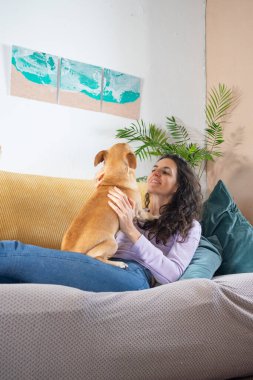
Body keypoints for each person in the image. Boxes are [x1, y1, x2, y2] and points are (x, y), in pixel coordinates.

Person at [0, 154, 202, 292]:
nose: (156, 173)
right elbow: (97, 236)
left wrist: (131, 230)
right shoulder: (131, 208)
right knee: (9, 279)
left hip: (135, 276)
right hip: (102, 261)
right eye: (155, 169)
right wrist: (102, 195)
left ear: (178, 187)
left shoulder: (190, 226)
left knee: (16, 251)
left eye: (165, 172)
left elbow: (172, 275)